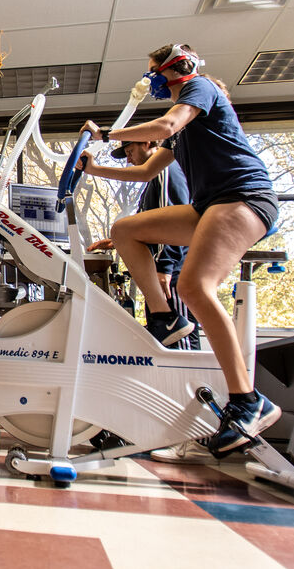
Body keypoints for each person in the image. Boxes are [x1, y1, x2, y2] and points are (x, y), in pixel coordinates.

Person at [80, 43, 281, 454]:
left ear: (175, 69)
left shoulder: (200, 87)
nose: (149, 78)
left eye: (153, 70)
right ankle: (165, 318)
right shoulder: (186, 131)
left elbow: (166, 125)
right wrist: (92, 166)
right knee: (125, 231)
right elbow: (145, 170)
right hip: (208, 207)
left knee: (195, 287)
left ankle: (248, 400)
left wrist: (105, 134)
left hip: (243, 197)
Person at [87, 139, 199, 350]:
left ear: (148, 143)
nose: (129, 160)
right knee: (165, 338)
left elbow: (173, 221)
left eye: (130, 151)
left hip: (173, 272)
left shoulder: (166, 169)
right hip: (160, 269)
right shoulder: (153, 181)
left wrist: (165, 266)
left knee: (179, 340)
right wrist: (115, 242)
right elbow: (150, 227)